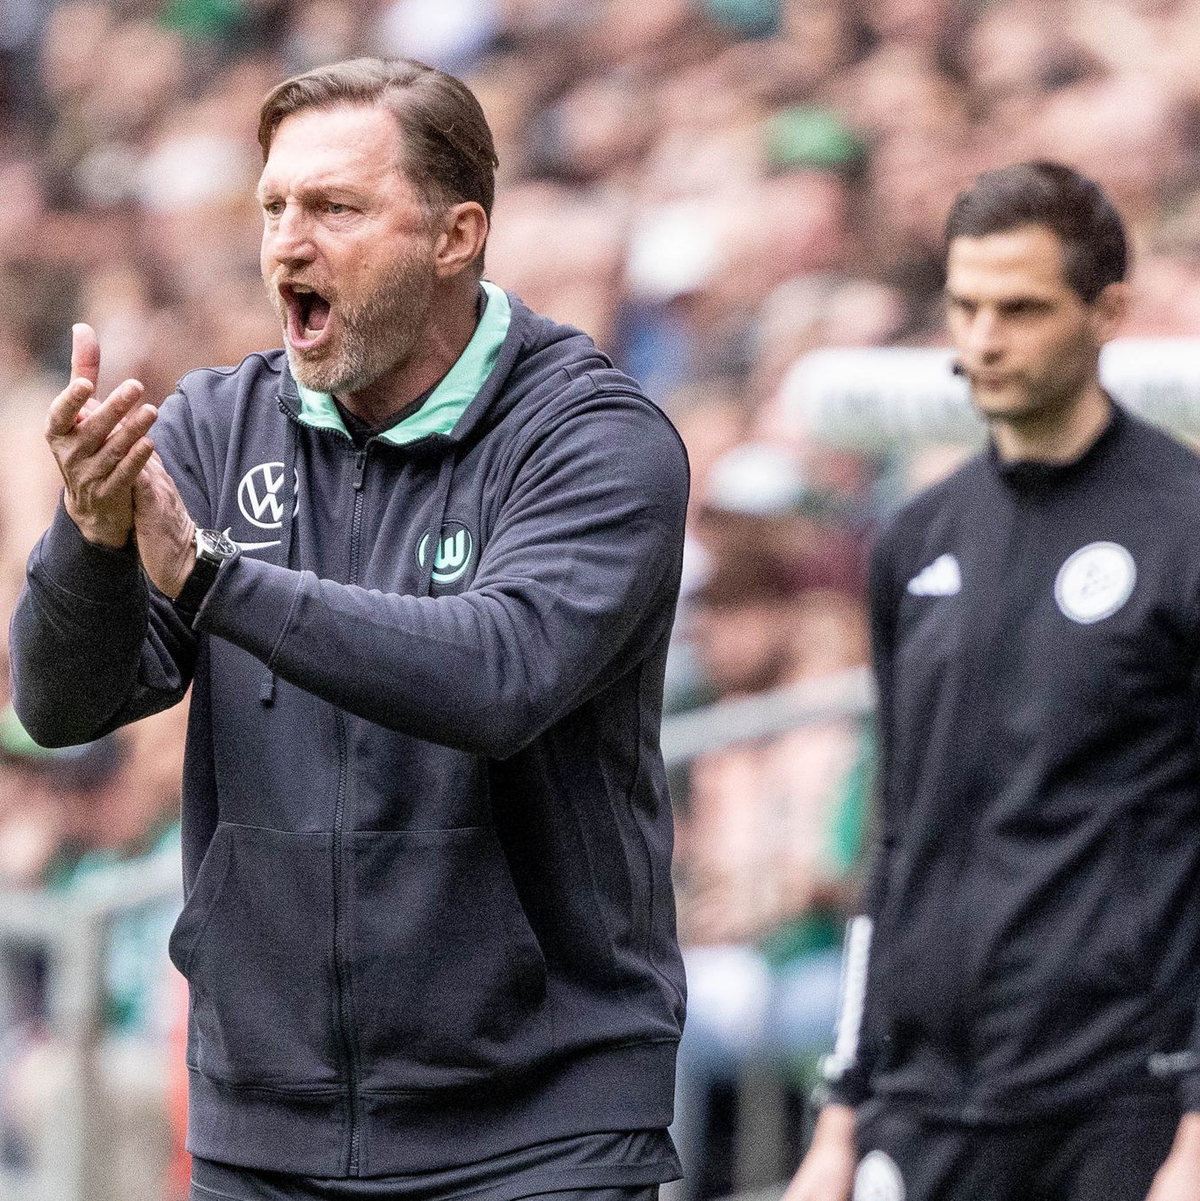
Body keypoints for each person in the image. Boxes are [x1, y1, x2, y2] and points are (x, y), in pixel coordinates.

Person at [10, 57, 689, 1200]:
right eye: (274, 206)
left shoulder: (592, 438)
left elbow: (501, 674)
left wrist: (216, 579)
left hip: (538, 1130)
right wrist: (88, 534)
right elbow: (61, 704)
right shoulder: (219, 423)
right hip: (265, 1129)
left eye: (335, 207)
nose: (288, 242)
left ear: (456, 235)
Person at [785, 161, 1200, 1201]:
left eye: (1021, 308)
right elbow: (899, 838)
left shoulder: (1185, 527)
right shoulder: (915, 542)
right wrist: (841, 1115)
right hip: (929, 1103)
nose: (983, 338)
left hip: (1121, 1101)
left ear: (1108, 313)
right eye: (966, 307)